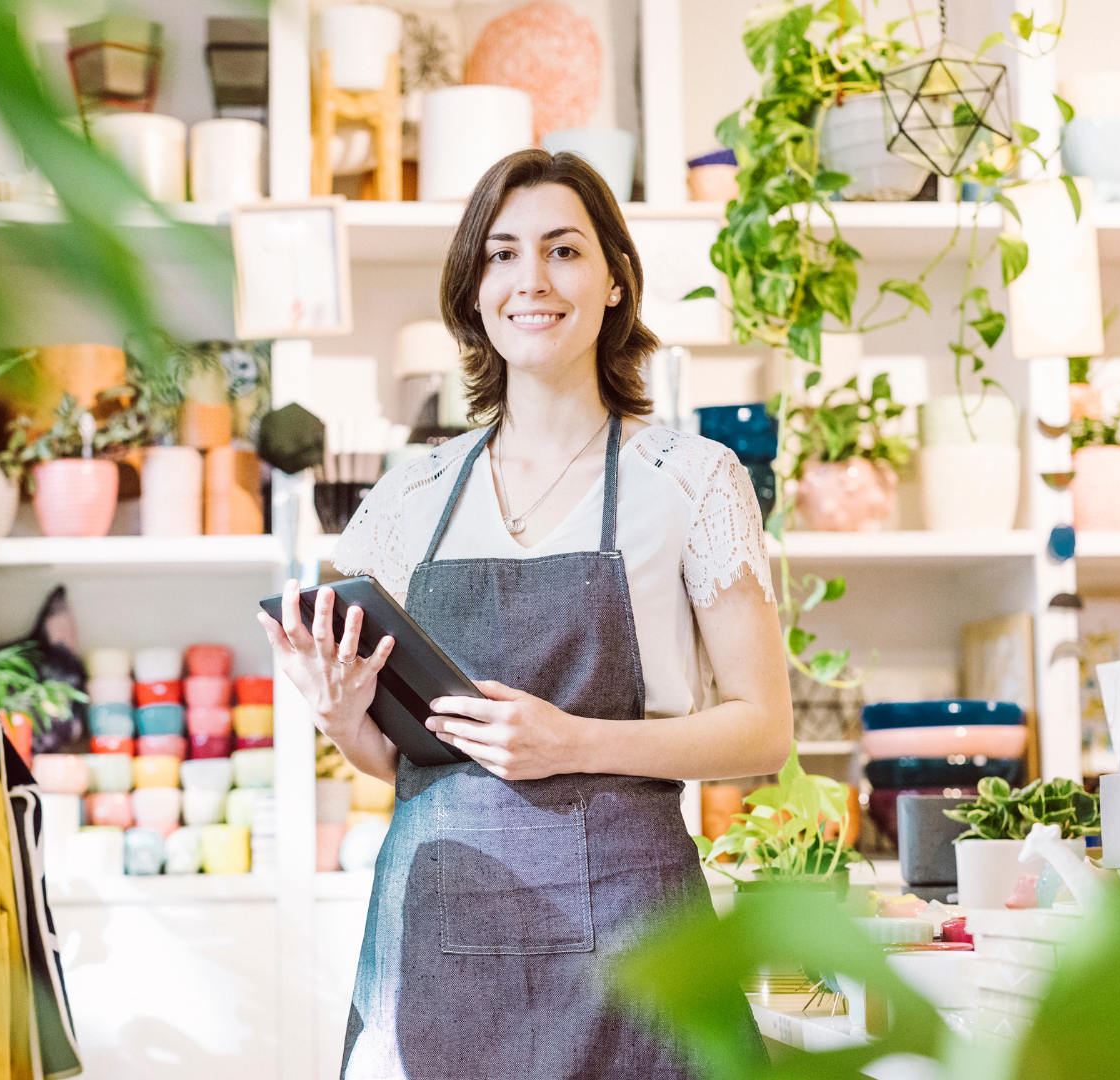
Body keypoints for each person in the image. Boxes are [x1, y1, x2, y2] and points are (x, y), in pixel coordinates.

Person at [257, 148, 793, 1079]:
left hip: (638, 945)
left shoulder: (692, 480)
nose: (530, 281)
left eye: (563, 250)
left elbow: (763, 732)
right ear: (472, 292)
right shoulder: (406, 500)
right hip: (439, 943)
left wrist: (573, 742)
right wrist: (344, 715)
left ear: (617, 282)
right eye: (501, 255)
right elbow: (402, 760)